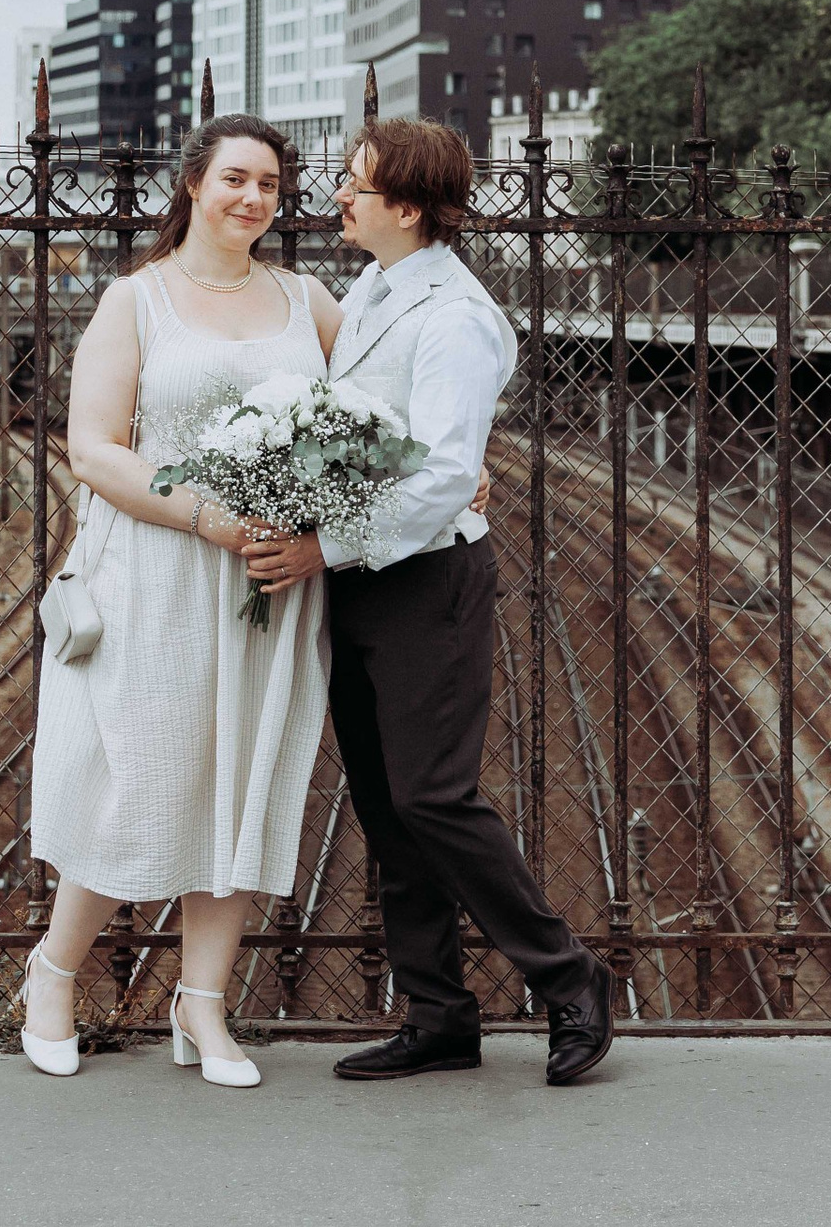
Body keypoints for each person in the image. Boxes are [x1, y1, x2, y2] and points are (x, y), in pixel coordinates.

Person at [243, 114, 616, 1086]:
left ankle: (569, 978)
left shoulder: (451, 315)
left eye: (357, 186)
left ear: (406, 207)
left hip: (424, 579)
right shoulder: (375, 284)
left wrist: (324, 544)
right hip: (365, 579)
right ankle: (439, 1013)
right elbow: (377, 432)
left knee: (432, 795)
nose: (339, 198)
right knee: (383, 801)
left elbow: (445, 473)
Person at [19, 113, 340, 1087]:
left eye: (269, 186)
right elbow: (95, 448)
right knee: (138, 776)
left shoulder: (307, 299)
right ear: (194, 181)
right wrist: (203, 516)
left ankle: (203, 1006)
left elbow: (376, 418)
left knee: (242, 776)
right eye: (235, 178)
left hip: (268, 577)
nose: (252, 198)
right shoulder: (136, 300)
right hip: (161, 569)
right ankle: (52, 973)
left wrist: (338, 521)